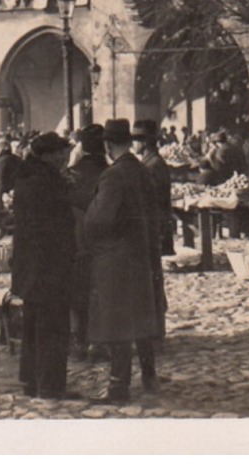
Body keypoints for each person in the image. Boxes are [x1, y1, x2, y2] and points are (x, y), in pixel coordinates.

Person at [82, 120, 164, 403]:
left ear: (107, 145)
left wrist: (87, 230)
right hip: (141, 255)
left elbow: (99, 219)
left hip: (116, 259)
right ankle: (149, 376)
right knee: (141, 319)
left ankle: (118, 387)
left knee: (117, 324)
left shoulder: (113, 176)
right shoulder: (142, 170)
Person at [12, 131, 79, 401]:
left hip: (30, 267)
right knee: (52, 327)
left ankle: (30, 380)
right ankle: (50, 386)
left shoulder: (27, 178)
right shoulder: (47, 183)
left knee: (32, 326)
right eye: (60, 152)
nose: (64, 157)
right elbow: (54, 228)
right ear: (47, 155)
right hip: (49, 266)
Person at [66, 123, 107, 360]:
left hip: (79, 241)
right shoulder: (110, 172)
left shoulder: (73, 174)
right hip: (105, 243)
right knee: (102, 290)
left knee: (79, 292)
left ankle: (80, 340)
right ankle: (101, 341)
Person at [133, 120, 174, 257]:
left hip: (154, 227)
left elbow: (152, 200)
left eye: (135, 140)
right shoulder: (152, 161)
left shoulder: (151, 166)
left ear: (144, 142)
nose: (133, 145)